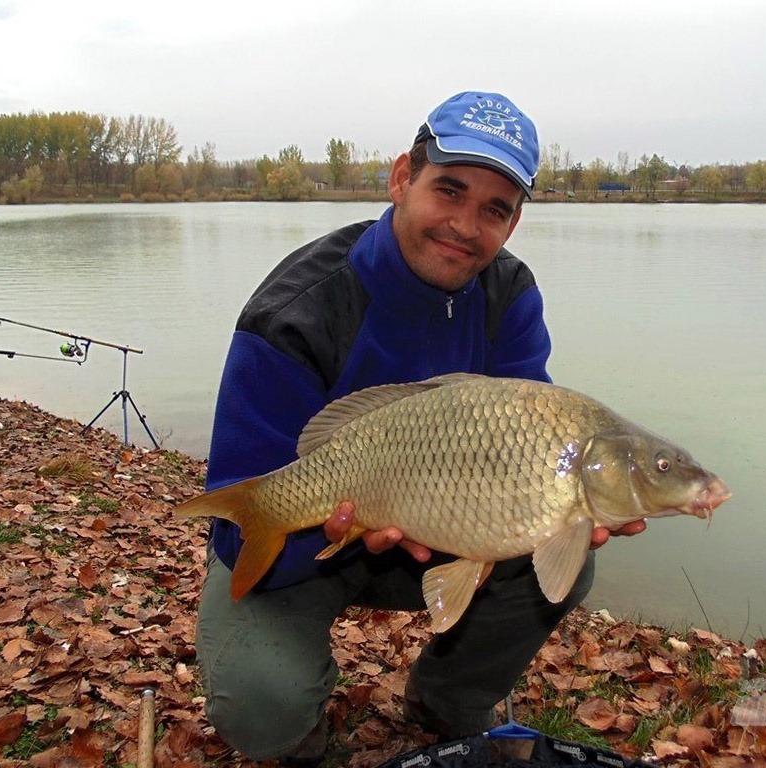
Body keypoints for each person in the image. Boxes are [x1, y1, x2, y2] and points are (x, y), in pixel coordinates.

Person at [194, 90, 645, 764]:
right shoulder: (295, 311)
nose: (465, 225)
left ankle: (446, 702)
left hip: (443, 526)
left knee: (565, 555)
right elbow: (240, 509)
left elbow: (537, 443)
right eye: (449, 191)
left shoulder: (509, 296)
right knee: (263, 704)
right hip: (311, 537)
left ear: (513, 224)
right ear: (403, 177)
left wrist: (568, 511)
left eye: (494, 210)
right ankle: (303, 740)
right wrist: (333, 525)